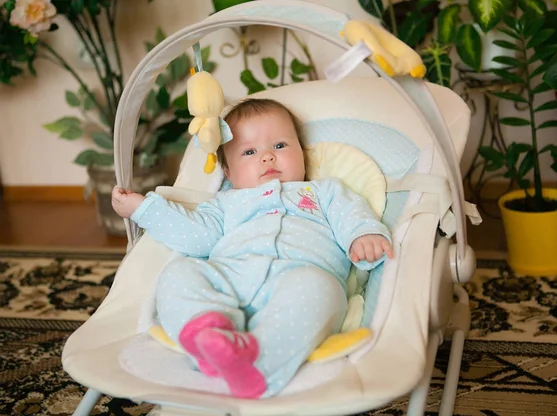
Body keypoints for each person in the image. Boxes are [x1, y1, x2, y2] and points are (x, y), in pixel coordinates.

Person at [111, 98, 393, 399]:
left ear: (302, 152)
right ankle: (210, 331)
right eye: (249, 151)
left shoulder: (324, 191)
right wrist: (144, 209)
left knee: (321, 290)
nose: (268, 157)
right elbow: (195, 237)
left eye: (281, 146)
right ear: (229, 173)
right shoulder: (225, 203)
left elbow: (353, 215)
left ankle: (260, 362)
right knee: (179, 272)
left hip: (300, 278)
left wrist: (364, 235)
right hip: (229, 279)